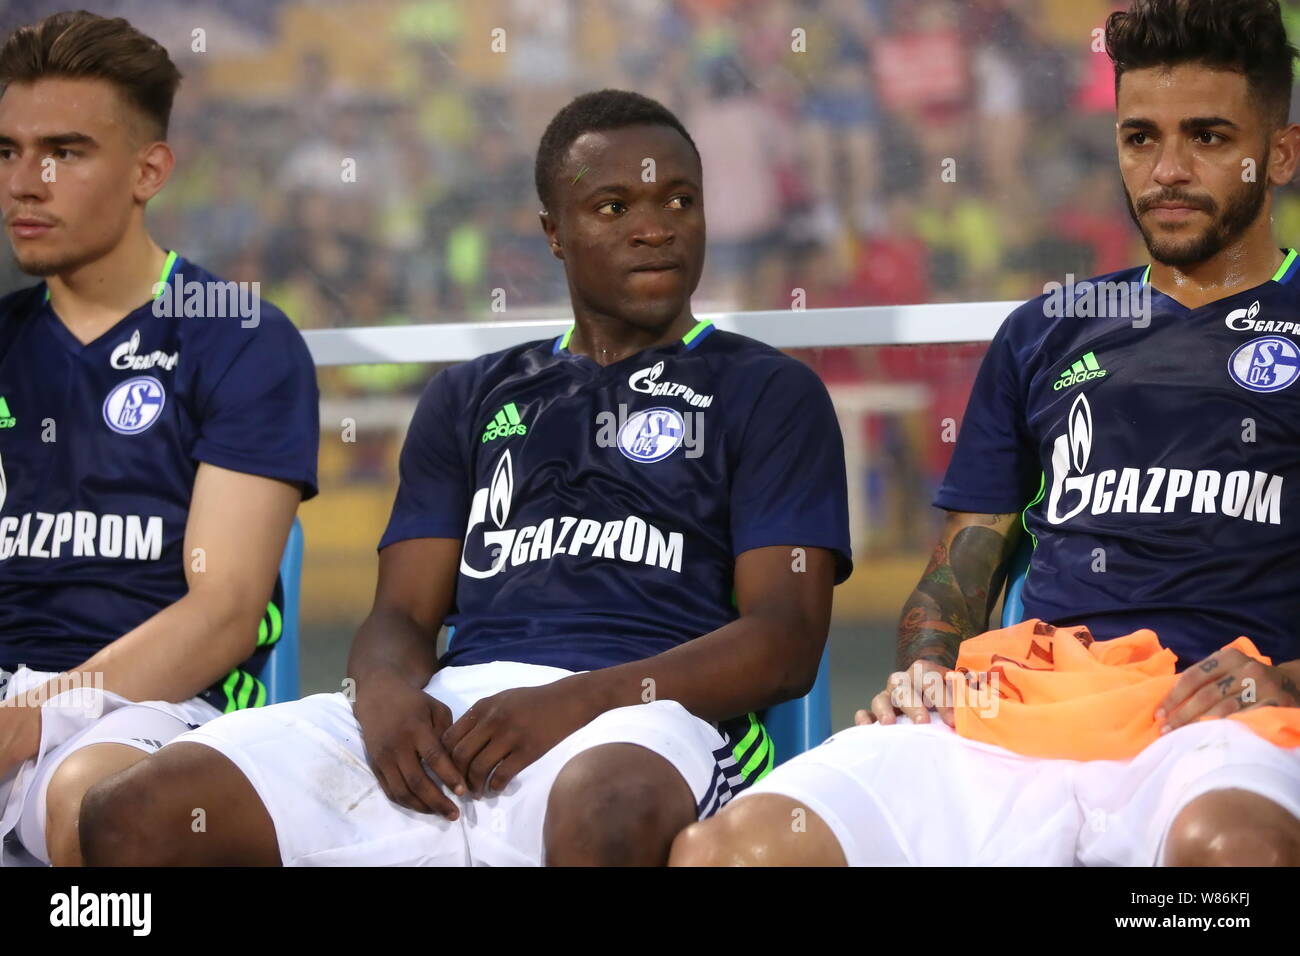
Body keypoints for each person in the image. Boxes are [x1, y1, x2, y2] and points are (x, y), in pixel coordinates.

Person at [78, 89, 852, 867]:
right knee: (134, 809)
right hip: (460, 722)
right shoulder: (470, 395)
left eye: (679, 200)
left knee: (605, 809)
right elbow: (401, 618)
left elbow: (785, 642)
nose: (654, 227)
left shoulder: (768, 391)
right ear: (554, 233)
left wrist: (572, 703)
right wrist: (384, 705)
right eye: (613, 207)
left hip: (644, 722)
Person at [672, 0, 1300, 867]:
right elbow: (963, 564)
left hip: (1217, 729)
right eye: (1140, 138)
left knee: (1231, 858)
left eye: (1208, 137)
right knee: (729, 854)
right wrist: (925, 669)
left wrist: (1287, 681)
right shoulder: (1050, 329)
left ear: (1279, 153)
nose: (1168, 171)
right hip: (1015, 713)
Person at [0, 11, 318, 866]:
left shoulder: (237, 334)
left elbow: (222, 615)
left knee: (95, 807)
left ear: (149, 171)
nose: (27, 183)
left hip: (158, 708)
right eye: (8, 152)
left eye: (64, 152)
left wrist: (34, 718)